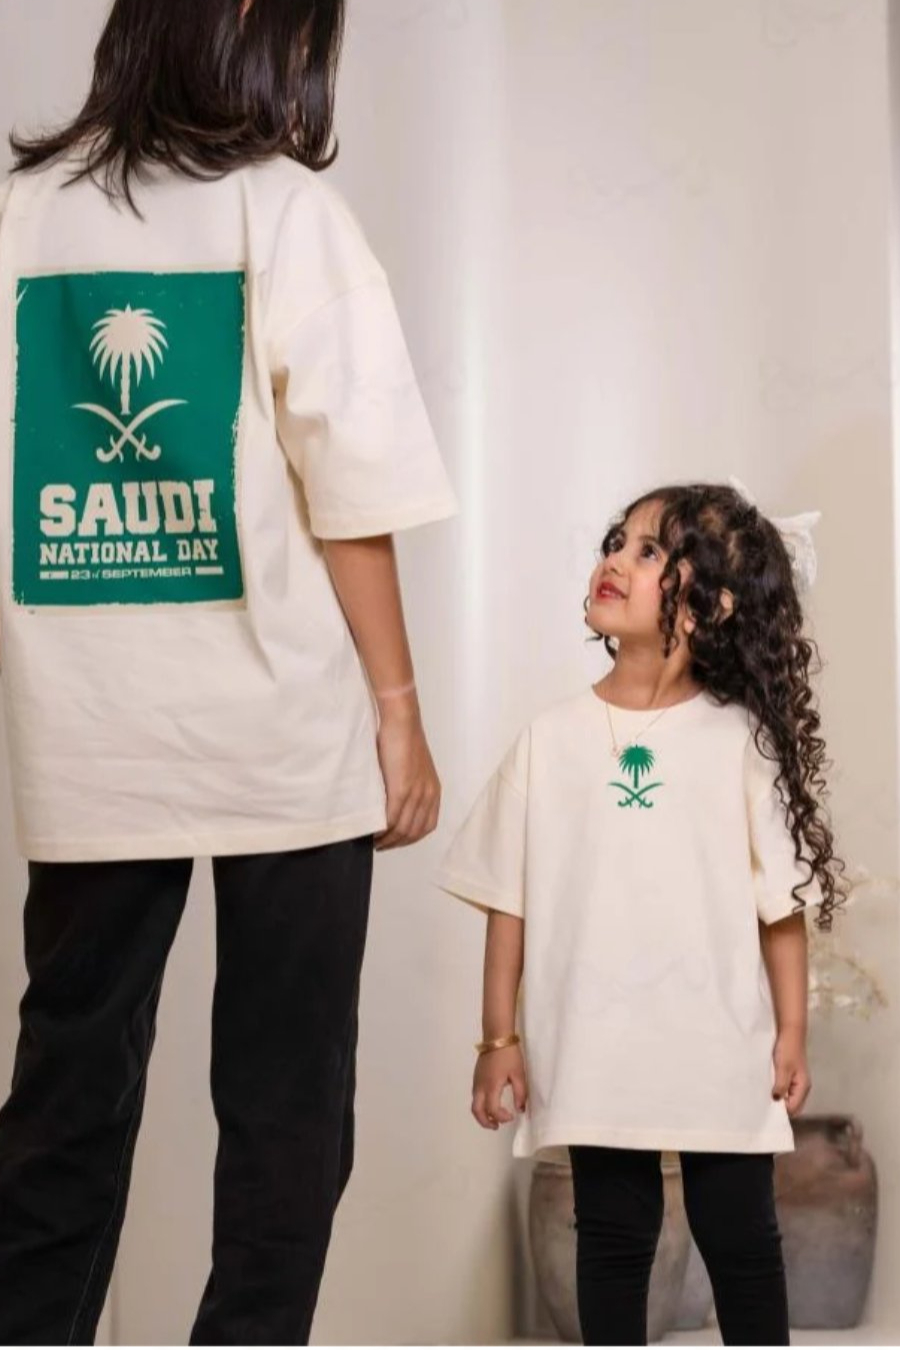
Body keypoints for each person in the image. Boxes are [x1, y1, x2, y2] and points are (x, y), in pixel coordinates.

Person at [0, 0, 457, 1343]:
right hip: (287, 734)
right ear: (256, 23)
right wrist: (398, 712)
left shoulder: (23, 217)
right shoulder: (287, 213)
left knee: (65, 1099)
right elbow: (348, 486)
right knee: (287, 1112)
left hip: (88, 733)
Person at [436, 482, 844, 1346]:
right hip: (596, 1043)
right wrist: (497, 1038)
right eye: (616, 541)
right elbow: (509, 900)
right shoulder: (550, 739)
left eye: (650, 551)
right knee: (614, 1239)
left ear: (706, 605)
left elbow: (779, 906)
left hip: (716, 1042)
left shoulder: (738, 742)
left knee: (740, 1236)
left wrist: (792, 1031)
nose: (615, 559)